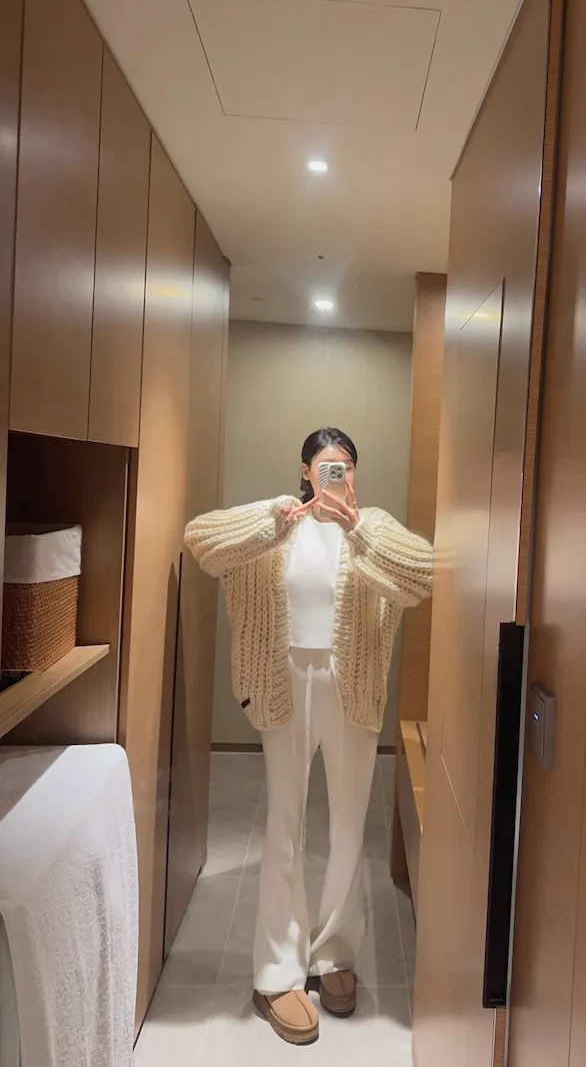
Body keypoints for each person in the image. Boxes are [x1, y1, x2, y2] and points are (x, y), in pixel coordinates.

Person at [184, 427, 433, 1046]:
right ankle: (276, 973)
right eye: (326, 466)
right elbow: (201, 541)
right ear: (305, 470)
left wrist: (358, 529)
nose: (335, 476)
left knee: (350, 824)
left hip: (353, 684)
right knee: (284, 825)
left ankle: (336, 954)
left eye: (345, 466)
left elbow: (423, 576)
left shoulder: (372, 525)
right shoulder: (280, 520)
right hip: (284, 680)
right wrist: (272, 521)